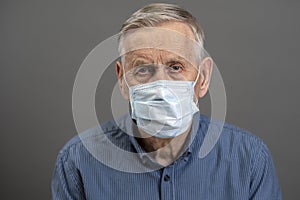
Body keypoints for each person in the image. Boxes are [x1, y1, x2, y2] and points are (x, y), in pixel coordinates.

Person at [51, 3, 282, 200]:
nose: (161, 86)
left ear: (203, 78)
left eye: (175, 67)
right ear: (122, 79)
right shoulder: (78, 161)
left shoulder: (249, 158)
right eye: (143, 69)